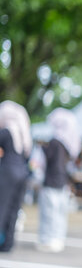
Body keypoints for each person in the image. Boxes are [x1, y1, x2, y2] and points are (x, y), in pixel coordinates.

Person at [37, 108, 81, 253]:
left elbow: (44, 160)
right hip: (62, 181)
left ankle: (48, 240)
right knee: (60, 214)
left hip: (51, 181)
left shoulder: (55, 142)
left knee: (49, 213)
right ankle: (58, 239)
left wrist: (41, 148)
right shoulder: (69, 144)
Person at [0, 101, 32, 252]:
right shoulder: (23, 133)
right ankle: (8, 243)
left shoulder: (6, 132)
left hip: (7, 172)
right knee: (14, 209)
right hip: (22, 173)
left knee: (2, 207)